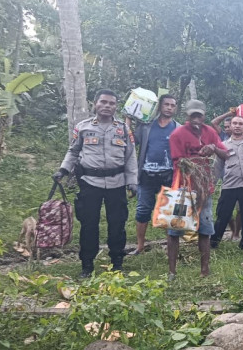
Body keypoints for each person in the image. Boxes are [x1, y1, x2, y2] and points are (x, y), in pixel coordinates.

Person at [52, 89, 138, 278]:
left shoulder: (123, 128)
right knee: (89, 225)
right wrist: (63, 170)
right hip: (90, 183)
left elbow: (131, 156)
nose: (107, 106)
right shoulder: (82, 127)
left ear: (116, 106)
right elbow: (73, 151)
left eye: (112, 103)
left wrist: (132, 181)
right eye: (103, 102)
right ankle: (87, 265)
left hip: (117, 184)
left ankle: (117, 263)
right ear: (95, 103)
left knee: (117, 225)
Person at [167, 100, 229, 280]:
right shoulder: (177, 134)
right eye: (192, 115)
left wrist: (214, 148)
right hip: (181, 189)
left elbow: (226, 154)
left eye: (199, 115)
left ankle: (205, 270)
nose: (196, 118)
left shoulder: (210, 132)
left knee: (205, 228)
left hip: (204, 189)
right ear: (186, 115)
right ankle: (172, 272)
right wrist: (194, 162)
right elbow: (178, 162)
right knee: (174, 230)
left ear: (204, 115)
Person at [128, 94, 181, 256]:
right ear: (160, 106)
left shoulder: (178, 128)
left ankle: (171, 249)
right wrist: (128, 120)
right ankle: (140, 246)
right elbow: (130, 140)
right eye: (166, 104)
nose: (169, 107)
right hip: (147, 175)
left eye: (173, 105)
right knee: (143, 211)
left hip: (170, 176)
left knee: (169, 213)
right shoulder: (146, 126)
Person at [211, 116, 243, 251]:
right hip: (229, 185)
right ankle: (213, 244)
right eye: (235, 123)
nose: (237, 126)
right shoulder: (223, 145)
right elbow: (217, 166)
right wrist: (211, 184)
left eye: (240, 124)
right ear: (230, 126)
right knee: (223, 215)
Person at [211, 109, 241, 239]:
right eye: (226, 127)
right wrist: (229, 114)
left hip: (240, 180)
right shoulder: (223, 137)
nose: (228, 129)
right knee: (224, 210)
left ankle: (236, 234)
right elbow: (214, 122)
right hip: (226, 181)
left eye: (230, 126)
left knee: (241, 209)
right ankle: (232, 230)